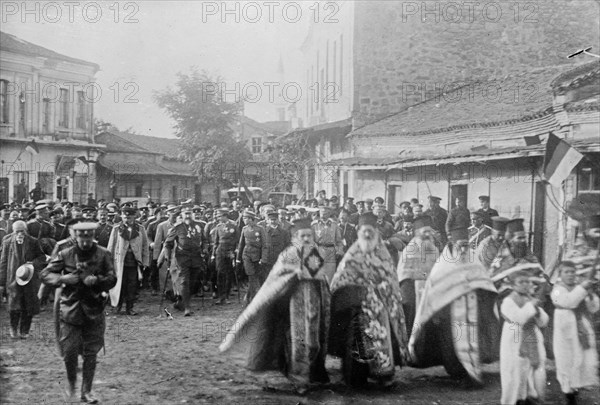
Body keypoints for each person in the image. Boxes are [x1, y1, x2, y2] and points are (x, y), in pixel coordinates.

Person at [219, 217, 330, 394]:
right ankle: (299, 380)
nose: (307, 239)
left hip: (314, 303)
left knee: (314, 340)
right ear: (295, 237)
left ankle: (312, 373)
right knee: (298, 341)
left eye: (309, 235)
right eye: (303, 236)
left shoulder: (315, 251)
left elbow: (321, 277)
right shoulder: (289, 253)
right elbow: (277, 277)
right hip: (291, 304)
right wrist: (295, 274)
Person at [329, 212, 409, 387]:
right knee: (360, 341)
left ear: (376, 232)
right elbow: (341, 279)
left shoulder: (383, 253)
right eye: (364, 231)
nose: (367, 234)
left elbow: (390, 277)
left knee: (383, 340)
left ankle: (383, 375)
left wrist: (385, 289)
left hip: (380, 306)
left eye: (371, 231)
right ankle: (356, 379)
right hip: (358, 306)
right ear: (359, 231)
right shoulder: (352, 253)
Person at [40, 221, 117, 403]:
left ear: (93, 237)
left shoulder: (103, 253)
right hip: (70, 309)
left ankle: (87, 391)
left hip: (94, 308)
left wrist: (97, 280)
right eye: (81, 237)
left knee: (91, 352)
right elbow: (45, 274)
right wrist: (63, 278)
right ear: (76, 236)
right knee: (70, 351)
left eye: (88, 237)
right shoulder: (65, 254)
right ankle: (71, 383)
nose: (85, 241)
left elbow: (112, 278)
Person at [551, 261, 599, 404]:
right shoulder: (558, 289)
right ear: (560, 274)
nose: (571, 275)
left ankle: (576, 387)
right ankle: (568, 392)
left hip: (581, 325)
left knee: (582, 358)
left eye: (573, 272)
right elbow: (568, 302)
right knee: (566, 359)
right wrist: (582, 289)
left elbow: (593, 308)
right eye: (567, 272)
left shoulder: (580, 287)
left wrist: (590, 295)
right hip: (565, 327)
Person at [500, 268, 548, 405]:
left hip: (531, 334)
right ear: (513, 285)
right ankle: (515, 399)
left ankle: (529, 395)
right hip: (514, 336)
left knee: (530, 367)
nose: (525, 285)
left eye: (527, 282)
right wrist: (532, 306)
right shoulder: (508, 301)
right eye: (521, 282)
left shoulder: (530, 298)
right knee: (515, 368)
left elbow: (543, 322)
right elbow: (519, 318)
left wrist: (539, 312)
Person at [0, 220, 45, 338]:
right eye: (17, 231)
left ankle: (24, 331)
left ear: (26, 231)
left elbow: (42, 257)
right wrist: (2, 282)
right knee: (13, 306)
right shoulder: (7, 242)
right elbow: (3, 262)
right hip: (12, 278)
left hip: (29, 278)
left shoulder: (33, 242)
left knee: (28, 305)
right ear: (13, 232)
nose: (20, 234)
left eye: (22, 231)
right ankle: (13, 329)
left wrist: (32, 263)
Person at [396, 216, 440, 335]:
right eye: (424, 232)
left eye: (429, 232)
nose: (427, 235)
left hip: (430, 288)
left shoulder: (434, 249)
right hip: (411, 287)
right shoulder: (410, 249)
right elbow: (404, 274)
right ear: (417, 234)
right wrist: (424, 276)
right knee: (410, 308)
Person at [160, 205, 206, 316]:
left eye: (190, 213)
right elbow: (168, 243)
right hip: (182, 258)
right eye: (186, 214)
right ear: (182, 215)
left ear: (192, 215)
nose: (188, 216)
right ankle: (187, 307)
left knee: (193, 282)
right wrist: (167, 255)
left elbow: (204, 240)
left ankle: (181, 301)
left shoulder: (199, 226)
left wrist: (204, 248)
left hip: (196, 257)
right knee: (184, 281)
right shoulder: (178, 227)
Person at [107, 206, 149, 315]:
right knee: (119, 285)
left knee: (132, 286)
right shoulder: (116, 229)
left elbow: (145, 246)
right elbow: (111, 247)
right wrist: (108, 263)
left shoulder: (140, 228)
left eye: (130, 217)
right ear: (121, 216)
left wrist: (145, 262)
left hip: (134, 262)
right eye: (125, 217)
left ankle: (130, 308)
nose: (127, 219)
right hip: (119, 262)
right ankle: (117, 306)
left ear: (134, 216)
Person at [236, 209, 266, 304]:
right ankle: (252, 299)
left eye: (246, 218)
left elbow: (265, 245)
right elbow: (241, 245)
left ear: (251, 219)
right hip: (247, 255)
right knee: (251, 275)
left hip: (257, 255)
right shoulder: (244, 229)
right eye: (244, 218)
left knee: (256, 277)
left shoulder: (260, 229)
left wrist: (263, 258)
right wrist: (238, 259)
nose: (244, 220)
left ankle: (249, 295)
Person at [211, 208, 240, 305]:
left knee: (229, 273)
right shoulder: (218, 227)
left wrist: (235, 251)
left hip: (230, 251)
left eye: (220, 216)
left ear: (225, 216)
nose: (218, 218)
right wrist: (213, 254)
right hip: (220, 251)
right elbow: (216, 241)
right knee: (220, 273)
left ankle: (226, 296)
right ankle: (220, 296)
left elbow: (238, 240)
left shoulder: (234, 226)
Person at [312, 206, 344, 282]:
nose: (323, 215)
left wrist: (339, 251)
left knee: (330, 275)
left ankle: (329, 292)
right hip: (319, 250)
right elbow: (310, 240)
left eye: (325, 213)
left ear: (329, 214)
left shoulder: (334, 224)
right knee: (318, 276)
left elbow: (339, 241)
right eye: (322, 213)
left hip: (331, 252)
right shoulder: (314, 225)